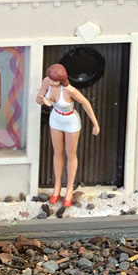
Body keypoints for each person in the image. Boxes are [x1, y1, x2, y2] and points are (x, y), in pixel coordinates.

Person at [35, 63, 100, 207]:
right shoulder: (47, 81)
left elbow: (85, 103)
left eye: (55, 81)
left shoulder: (70, 90)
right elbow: (38, 99)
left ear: (61, 80)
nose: (52, 83)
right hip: (56, 118)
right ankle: (57, 186)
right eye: (51, 79)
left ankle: (69, 188)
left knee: (71, 154)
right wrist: (43, 100)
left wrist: (95, 124)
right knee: (57, 152)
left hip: (70, 121)